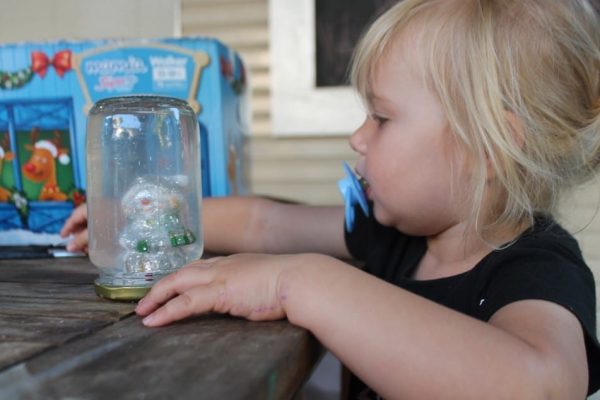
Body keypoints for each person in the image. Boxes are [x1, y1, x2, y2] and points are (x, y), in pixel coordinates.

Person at [61, 0, 600, 397]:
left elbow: (539, 386)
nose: (358, 137)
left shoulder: (539, 268)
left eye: (382, 118)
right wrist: (141, 215)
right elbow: (266, 226)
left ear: (490, 147)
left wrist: (301, 281)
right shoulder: (393, 235)